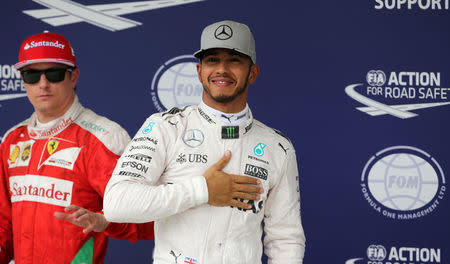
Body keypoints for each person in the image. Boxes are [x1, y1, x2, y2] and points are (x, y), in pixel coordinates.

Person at [104, 20, 306, 263]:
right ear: (199, 72)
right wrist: (202, 190)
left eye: (234, 60)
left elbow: (285, 238)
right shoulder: (166, 127)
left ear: (253, 73)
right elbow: (117, 203)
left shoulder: (278, 147)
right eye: (212, 60)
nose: (222, 69)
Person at [0, 32, 154, 264]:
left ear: (73, 77)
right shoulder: (13, 139)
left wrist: (105, 220)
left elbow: (148, 215)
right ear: (22, 80)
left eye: (54, 73)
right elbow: (4, 223)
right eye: (32, 75)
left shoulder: (103, 138)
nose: (43, 83)